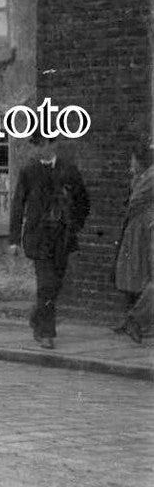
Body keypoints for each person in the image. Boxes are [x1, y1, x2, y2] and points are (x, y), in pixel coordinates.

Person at [9, 133, 90, 349]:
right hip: (39, 238)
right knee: (46, 284)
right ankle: (46, 333)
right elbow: (18, 205)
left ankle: (38, 316)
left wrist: (74, 226)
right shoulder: (29, 171)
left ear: (52, 145)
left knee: (55, 285)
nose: (39, 149)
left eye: (43, 144)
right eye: (36, 145)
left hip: (62, 238)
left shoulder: (68, 170)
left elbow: (83, 202)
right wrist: (14, 239)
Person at [114, 142, 153, 342]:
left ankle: (133, 319)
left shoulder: (148, 176)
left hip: (143, 230)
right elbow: (134, 200)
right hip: (142, 231)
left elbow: (135, 200)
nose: (131, 164)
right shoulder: (145, 177)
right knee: (136, 275)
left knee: (138, 275)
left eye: (133, 160)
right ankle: (134, 319)